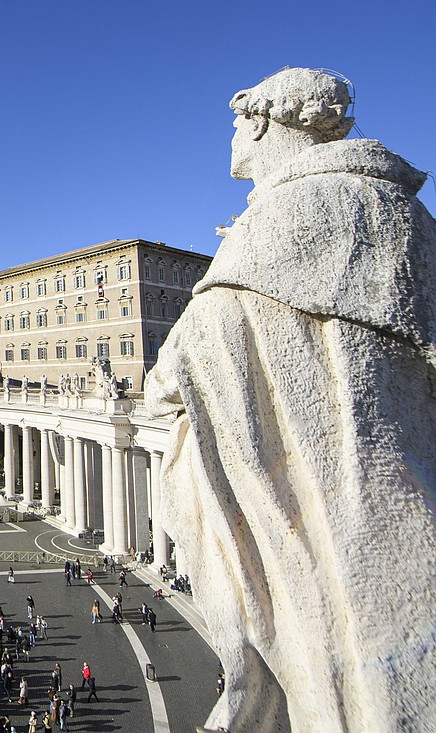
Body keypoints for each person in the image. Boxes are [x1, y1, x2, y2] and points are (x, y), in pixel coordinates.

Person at [145, 67, 436, 730]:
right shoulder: (408, 214)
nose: (229, 138)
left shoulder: (276, 224)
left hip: (317, 519)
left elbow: (173, 379)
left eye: (233, 122)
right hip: (404, 501)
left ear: (260, 120)